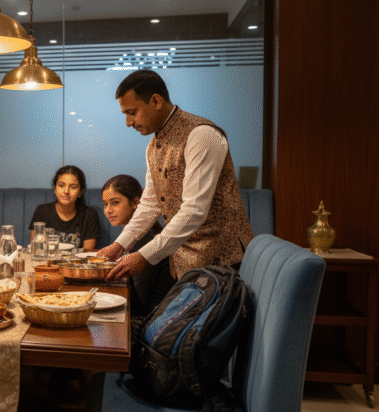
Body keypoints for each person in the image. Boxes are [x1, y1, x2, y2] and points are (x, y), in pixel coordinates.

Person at [99, 69, 254, 281]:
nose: (128, 122)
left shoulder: (203, 135)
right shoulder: (153, 147)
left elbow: (194, 210)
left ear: (156, 101)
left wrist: (144, 255)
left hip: (223, 264)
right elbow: (151, 203)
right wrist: (120, 244)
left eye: (132, 112)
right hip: (183, 263)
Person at [101, 175, 174, 320]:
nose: (108, 210)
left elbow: (140, 301)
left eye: (115, 203)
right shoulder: (134, 234)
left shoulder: (146, 238)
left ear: (135, 202)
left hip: (150, 319)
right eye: (105, 204)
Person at [28, 165, 101, 251]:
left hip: (76, 263)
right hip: (47, 262)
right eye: (61, 185)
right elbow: (36, 248)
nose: (66, 191)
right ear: (55, 189)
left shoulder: (89, 215)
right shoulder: (42, 211)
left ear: (80, 192)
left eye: (73, 187)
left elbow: (87, 253)